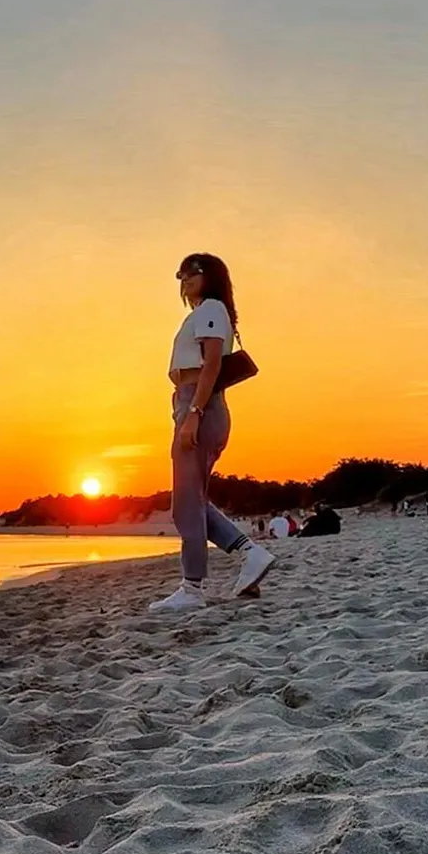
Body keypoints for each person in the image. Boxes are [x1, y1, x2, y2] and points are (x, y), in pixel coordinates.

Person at [149, 253, 274, 611]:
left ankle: (192, 589)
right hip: (191, 404)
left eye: (192, 273)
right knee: (192, 501)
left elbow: (212, 364)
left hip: (200, 405)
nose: (184, 279)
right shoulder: (206, 312)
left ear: (211, 276)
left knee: (186, 504)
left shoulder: (211, 309)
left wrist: (194, 413)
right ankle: (250, 553)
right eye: (180, 274)